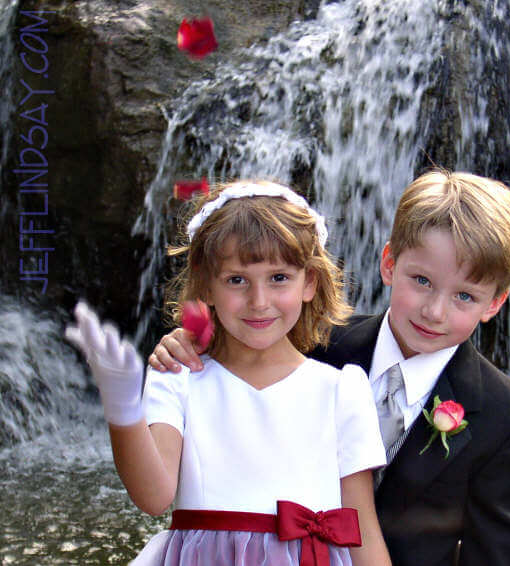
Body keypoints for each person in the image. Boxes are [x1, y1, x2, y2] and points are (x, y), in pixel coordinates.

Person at [149, 170, 510, 566]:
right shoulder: (315, 345)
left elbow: (494, 553)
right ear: (389, 263)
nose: (435, 311)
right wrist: (189, 342)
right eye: (421, 280)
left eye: (464, 296)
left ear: (494, 303)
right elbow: (241, 357)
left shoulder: (508, 415)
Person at [66, 180, 392, 566]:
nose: (259, 302)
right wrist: (122, 407)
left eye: (279, 278)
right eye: (237, 280)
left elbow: (361, 529)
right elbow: (152, 497)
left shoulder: (342, 389)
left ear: (310, 282)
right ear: (206, 285)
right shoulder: (178, 376)